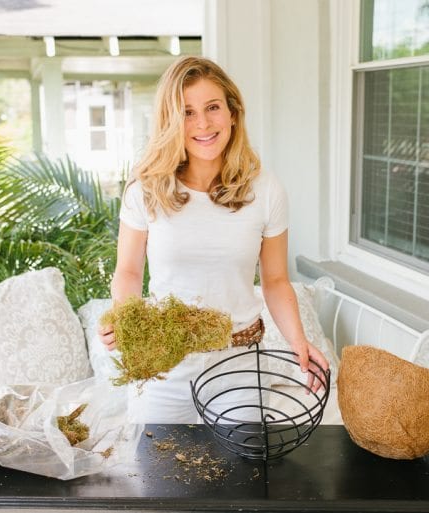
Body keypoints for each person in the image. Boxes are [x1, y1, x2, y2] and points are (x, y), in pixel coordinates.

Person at [99, 56, 328, 423]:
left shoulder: (266, 190)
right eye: (187, 112)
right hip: (165, 363)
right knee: (154, 475)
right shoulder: (146, 189)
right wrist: (125, 323)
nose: (203, 123)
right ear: (170, 121)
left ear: (233, 112)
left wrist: (298, 341)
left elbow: (274, 280)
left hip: (239, 362)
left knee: (243, 477)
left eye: (212, 108)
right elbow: (128, 271)